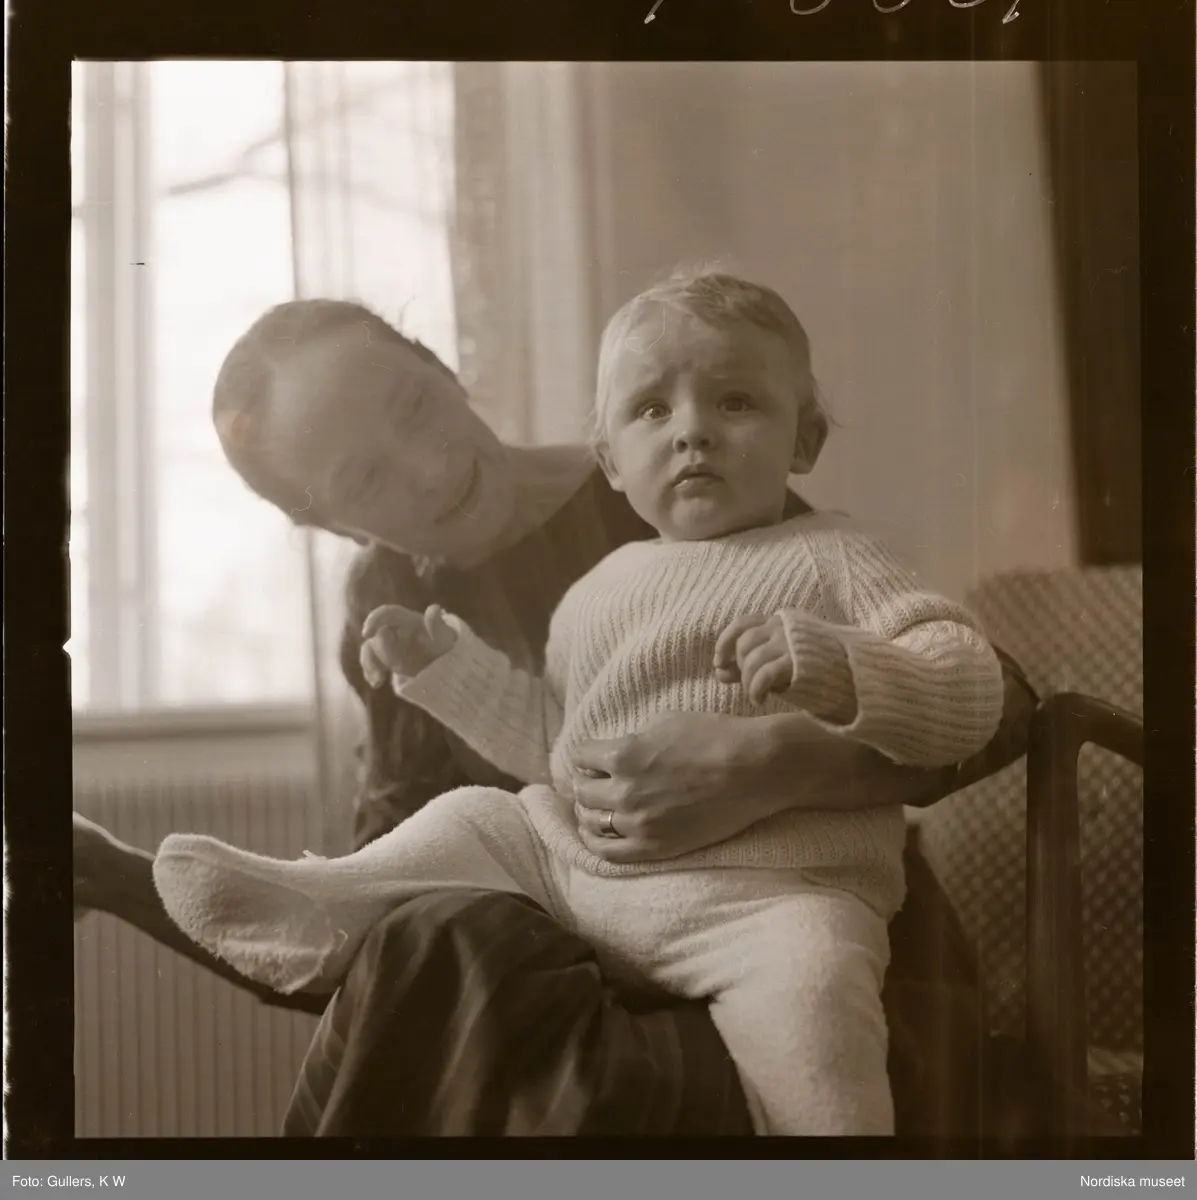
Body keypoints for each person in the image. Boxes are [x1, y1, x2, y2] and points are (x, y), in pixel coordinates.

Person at [73, 289, 1035, 1136]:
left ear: (443, 367)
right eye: (364, 479)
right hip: (590, 954)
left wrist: (766, 763)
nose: (426, 470)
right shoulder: (391, 612)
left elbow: (999, 707)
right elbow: (376, 943)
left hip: (810, 955)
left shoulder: (674, 469)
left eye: (414, 406)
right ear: (327, 526)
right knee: (428, 930)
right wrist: (120, 880)